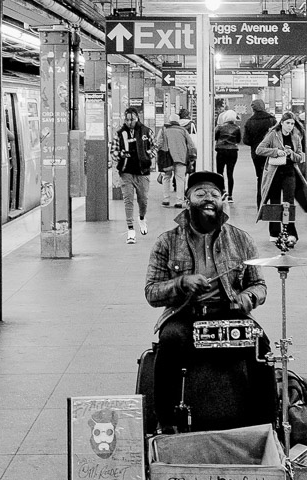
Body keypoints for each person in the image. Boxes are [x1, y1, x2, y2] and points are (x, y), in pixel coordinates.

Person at [144, 171, 273, 433]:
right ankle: (166, 423)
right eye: (200, 193)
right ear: (187, 199)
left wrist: (248, 297)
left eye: (214, 194)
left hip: (229, 313)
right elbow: (151, 292)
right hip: (185, 315)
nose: (208, 199)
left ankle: (266, 425)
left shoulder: (241, 239)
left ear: (223, 199)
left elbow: (259, 285)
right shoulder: (167, 241)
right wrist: (181, 283)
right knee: (169, 341)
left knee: (261, 346)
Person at [255, 111, 307, 242]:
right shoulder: (273, 135)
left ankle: (290, 232)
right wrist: (276, 152)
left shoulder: (296, 138)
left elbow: (300, 157)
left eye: (292, 124)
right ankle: (274, 232)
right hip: (274, 173)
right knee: (275, 201)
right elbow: (259, 150)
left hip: (290, 172)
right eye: (287, 123)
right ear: (281, 123)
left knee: (289, 202)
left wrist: (291, 153)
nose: (290, 126)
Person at [110, 106, 155, 244]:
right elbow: (113, 152)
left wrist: (148, 154)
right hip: (126, 172)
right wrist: (120, 154)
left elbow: (154, 147)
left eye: (132, 119)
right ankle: (130, 230)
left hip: (142, 172)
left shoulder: (146, 131)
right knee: (128, 200)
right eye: (127, 120)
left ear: (137, 118)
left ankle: (142, 218)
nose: (130, 122)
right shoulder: (119, 133)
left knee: (143, 200)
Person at [241, 99, 277, 208]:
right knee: (272, 177)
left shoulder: (249, 122)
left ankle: (260, 204)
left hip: (257, 154)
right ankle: (273, 205)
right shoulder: (271, 120)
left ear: (253, 108)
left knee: (260, 177)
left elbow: (246, 140)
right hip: (270, 153)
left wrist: (255, 142)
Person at [158, 113, 193, 208]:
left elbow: (159, 143)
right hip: (181, 158)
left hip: (167, 159)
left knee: (166, 178)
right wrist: (192, 157)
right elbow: (191, 144)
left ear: (169, 120)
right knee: (180, 179)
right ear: (178, 121)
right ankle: (179, 201)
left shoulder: (164, 129)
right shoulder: (183, 130)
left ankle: (166, 200)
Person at [213, 109, 242, 201]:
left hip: (221, 151)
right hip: (233, 152)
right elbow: (238, 140)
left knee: (219, 173)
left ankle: (221, 192)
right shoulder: (237, 128)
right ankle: (230, 196)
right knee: (230, 173)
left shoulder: (220, 127)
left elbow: (215, 137)